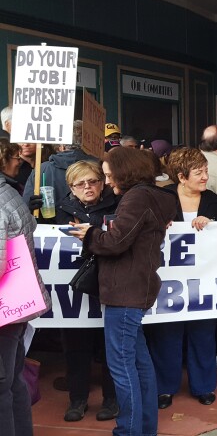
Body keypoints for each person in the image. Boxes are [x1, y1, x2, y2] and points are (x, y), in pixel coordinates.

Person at [68, 148, 177, 436]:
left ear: (124, 171)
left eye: (107, 175)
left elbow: (116, 242)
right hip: (134, 288)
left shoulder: (137, 197)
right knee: (139, 364)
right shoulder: (154, 196)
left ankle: (128, 430)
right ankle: (143, 429)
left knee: (122, 365)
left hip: (124, 290)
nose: (105, 181)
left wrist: (89, 234)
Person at [148, 148, 217, 410]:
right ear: (181, 177)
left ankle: (204, 386)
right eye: (199, 172)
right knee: (167, 334)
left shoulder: (215, 202)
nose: (205, 177)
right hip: (169, 281)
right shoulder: (161, 199)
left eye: (206, 171)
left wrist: (214, 224)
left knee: (203, 334)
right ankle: (165, 388)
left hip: (203, 281)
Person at [55, 160, 119, 422]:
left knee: (109, 346)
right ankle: (77, 399)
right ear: (71, 187)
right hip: (74, 289)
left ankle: (111, 400)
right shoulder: (58, 210)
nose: (87, 187)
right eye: (80, 183)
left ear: (102, 182)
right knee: (75, 346)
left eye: (93, 181)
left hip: (108, 284)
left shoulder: (118, 205)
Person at [0, 172, 51, 436]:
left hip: (5, 312)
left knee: (3, 387)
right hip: (13, 310)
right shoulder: (8, 194)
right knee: (12, 380)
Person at [23, 120, 97, 215]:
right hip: (90, 227)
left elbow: (25, 206)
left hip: (49, 226)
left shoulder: (41, 169)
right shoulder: (99, 166)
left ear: (61, 146)